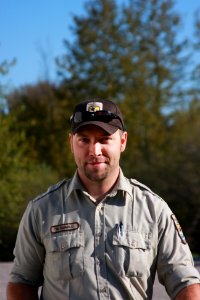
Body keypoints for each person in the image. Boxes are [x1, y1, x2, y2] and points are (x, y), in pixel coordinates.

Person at [7, 99, 200, 300]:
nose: (94, 151)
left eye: (104, 139)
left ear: (123, 141)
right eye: (84, 140)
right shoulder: (42, 210)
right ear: (71, 142)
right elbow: (21, 282)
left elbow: (185, 284)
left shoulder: (154, 210)